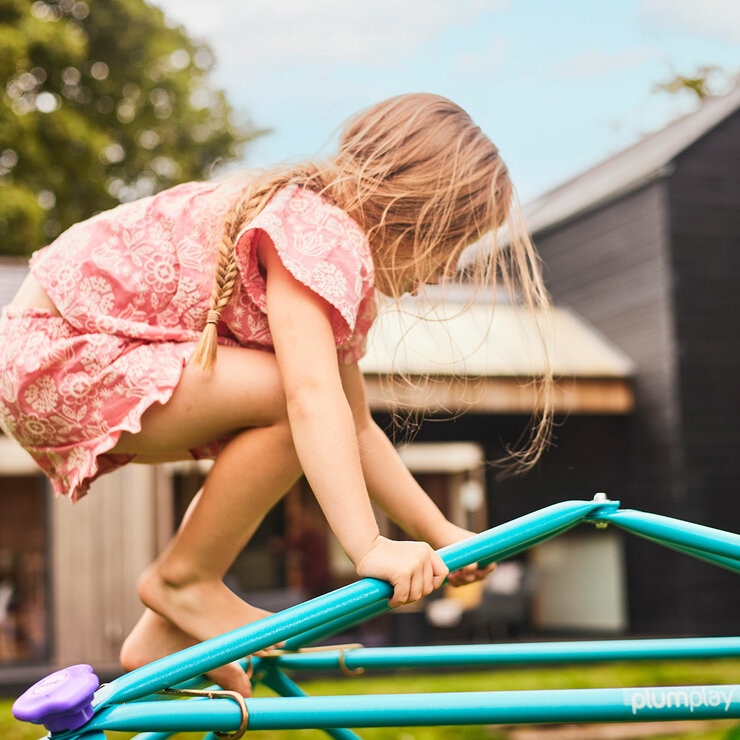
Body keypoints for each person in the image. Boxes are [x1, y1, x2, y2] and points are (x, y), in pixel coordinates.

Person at [0, 93, 553, 696]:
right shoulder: (318, 233)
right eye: (451, 245)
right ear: (413, 214)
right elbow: (312, 400)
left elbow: (358, 429)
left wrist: (440, 529)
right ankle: (185, 581)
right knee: (297, 401)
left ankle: (166, 623)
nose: (448, 271)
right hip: (53, 358)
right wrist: (368, 546)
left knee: (303, 406)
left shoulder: (327, 253)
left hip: (63, 365)